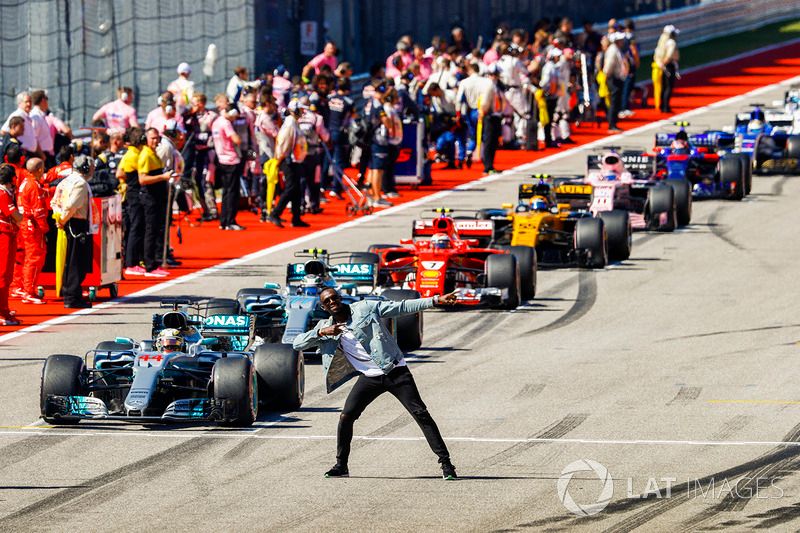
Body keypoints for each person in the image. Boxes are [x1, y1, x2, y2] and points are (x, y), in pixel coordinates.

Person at [293, 286, 459, 480]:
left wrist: (435, 300)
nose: (332, 302)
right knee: (346, 417)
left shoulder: (364, 308)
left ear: (340, 298)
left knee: (420, 414)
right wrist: (321, 332)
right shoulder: (326, 327)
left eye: (334, 298)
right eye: (327, 301)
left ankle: (446, 464)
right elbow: (297, 343)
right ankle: (341, 465)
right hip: (369, 377)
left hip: (395, 371)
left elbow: (401, 307)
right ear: (323, 306)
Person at [51, 155, 94, 308]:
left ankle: (70, 293)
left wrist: (59, 218)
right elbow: (72, 205)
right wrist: (62, 220)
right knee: (76, 262)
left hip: (67, 221)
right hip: (76, 223)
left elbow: (54, 202)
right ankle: (72, 296)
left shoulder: (65, 181)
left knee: (69, 260)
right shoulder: (80, 183)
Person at [265, 99, 309, 228]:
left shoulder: (293, 122)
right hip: (288, 159)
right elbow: (284, 142)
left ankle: (296, 217)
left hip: (294, 159)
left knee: (296, 189)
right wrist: (280, 158)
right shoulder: (290, 123)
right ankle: (275, 213)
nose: (303, 111)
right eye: (301, 109)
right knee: (291, 187)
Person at [11, 158, 49, 304]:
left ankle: (22, 287)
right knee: (35, 258)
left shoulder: (26, 182)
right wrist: (44, 229)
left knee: (27, 257)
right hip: (33, 226)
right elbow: (38, 210)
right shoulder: (33, 185)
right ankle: (29, 291)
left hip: (25, 224)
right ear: (39, 170)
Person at [138, 128, 174, 277]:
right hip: (150, 196)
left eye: (157, 138)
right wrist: (163, 177)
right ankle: (149, 264)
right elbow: (143, 179)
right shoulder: (146, 155)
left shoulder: (154, 153)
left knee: (158, 228)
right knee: (150, 230)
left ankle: (156, 260)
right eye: (152, 138)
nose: (155, 141)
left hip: (158, 195)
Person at [182, 92, 218, 221]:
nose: (193, 106)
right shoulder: (190, 117)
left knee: (207, 180)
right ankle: (205, 210)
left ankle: (212, 209)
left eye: (196, 103)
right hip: (196, 152)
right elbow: (183, 123)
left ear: (202, 103)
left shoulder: (212, 116)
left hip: (208, 151)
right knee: (196, 181)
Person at [211, 95, 244, 231]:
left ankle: (224, 220)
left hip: (221, 159)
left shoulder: (216, 122)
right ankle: (230, 220)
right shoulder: (226, 123)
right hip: (231, 160)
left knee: (226, 192)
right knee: (232, 192)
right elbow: (236, 140)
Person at [118, 128, 146, 276]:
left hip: (132, 192)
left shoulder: (130, 154)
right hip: (134, 193)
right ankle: (131, 262)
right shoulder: (134, 155)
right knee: (136, 227)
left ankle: (132, 261)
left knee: (134, 227)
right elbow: (120, 173)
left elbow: (120, 173)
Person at [0, 164, 22, 324]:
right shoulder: (3, 194)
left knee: (6, 275)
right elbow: (16, 216)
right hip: (4, 235)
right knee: (4, 275)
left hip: (8, 234)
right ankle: (2, 312)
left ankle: (4, 308)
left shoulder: (6, 192)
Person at [1, 92, 39, 159]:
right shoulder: (18, 114)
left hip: (29, 153)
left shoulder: (27, 116)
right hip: (21, 154)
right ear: (20, 103)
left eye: (30, 101)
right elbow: (3, 131)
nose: (29, 104)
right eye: (26, 102)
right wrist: (15, 146)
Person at [603, 32, 628, 133]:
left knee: (616, 101)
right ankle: (611, 124)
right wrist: (609, 76)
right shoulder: (613, 50)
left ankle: (613, 123)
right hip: (613, 78)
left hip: (616, 77)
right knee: (614, 102)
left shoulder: (616, 49)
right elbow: (609, 66)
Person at [654, 25, 680, 114]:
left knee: (664, 86)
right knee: (668, 87)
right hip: (668, 65)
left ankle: (662, 106)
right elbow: (669, 56)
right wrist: (664, 64)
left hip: (661, 65)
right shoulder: (671, 42)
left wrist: (661, 65)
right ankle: (666, 107)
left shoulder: (662, 41)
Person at [29, 91, 54, 165]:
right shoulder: (36, 116)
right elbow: (33, 137)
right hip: (41, 155)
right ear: (43, 100)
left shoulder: (40, 115)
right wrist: (42, 155)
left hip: (45, 154)